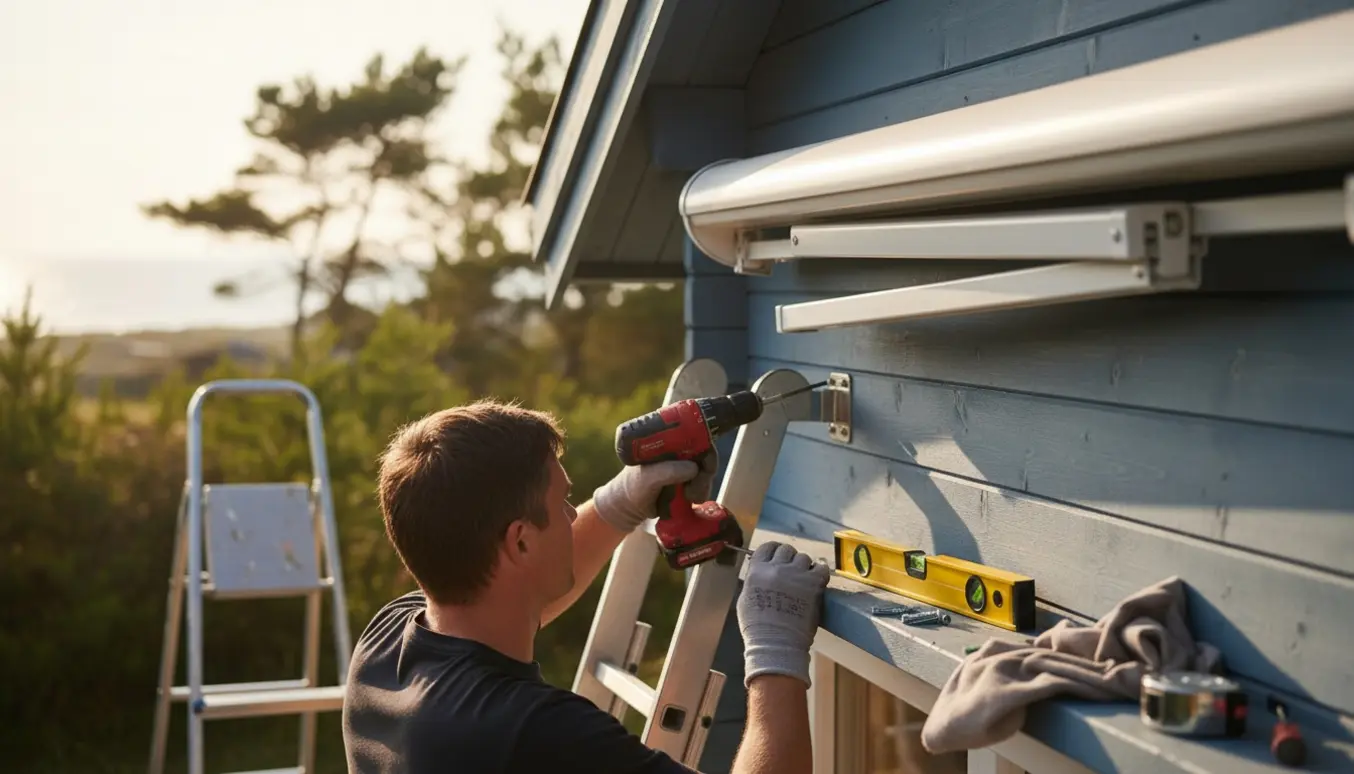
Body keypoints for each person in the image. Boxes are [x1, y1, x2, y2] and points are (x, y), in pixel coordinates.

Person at [341, 399, 831, 774]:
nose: (574, 515)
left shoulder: (385, 642)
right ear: (521, 542)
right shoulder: (533, 731)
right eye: (563, 504)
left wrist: (619, 504)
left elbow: (511, 594)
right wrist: (775, 651)